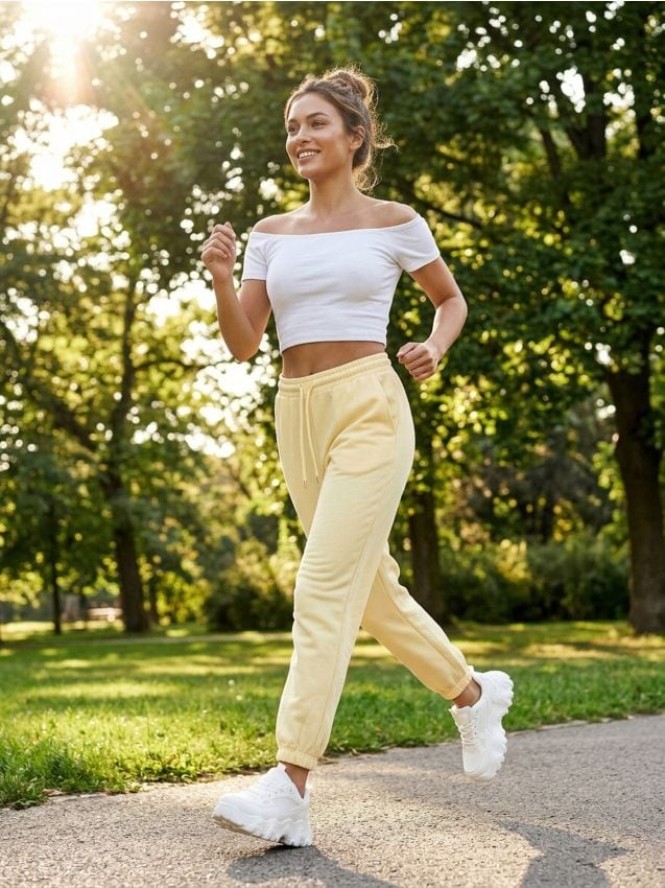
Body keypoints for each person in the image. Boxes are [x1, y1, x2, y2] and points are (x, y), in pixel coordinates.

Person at [201, 66, 513, 848]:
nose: (299, 138)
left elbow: (450, 298)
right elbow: (243, 344)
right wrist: (220, 278)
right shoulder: (272, 234)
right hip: (294, 411)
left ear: (354, 136)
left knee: (321, 587)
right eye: (291, 128)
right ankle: (472, 694)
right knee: (369, 593)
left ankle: (289, 783)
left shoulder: (394, 221)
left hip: (370, 405)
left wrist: (436, 346)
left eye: (314, 124)